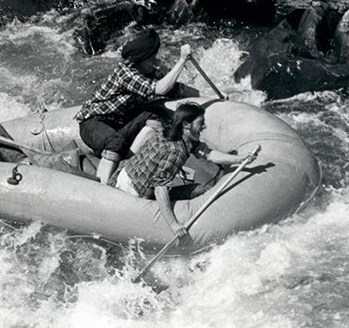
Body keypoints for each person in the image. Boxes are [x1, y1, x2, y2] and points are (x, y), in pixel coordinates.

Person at [109, 102, 258, 237]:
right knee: (198, 190)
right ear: (186, 125)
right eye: (201, 123)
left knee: (199, 189)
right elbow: (160, 188)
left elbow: (209, 154)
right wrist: (173, 224)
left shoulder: (175, 134)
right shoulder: (177, 152)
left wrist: (241, 159)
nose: (204, 126)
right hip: (133, 191)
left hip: (128, 174)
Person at [75, 28, 195, 184]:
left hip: (117, 125)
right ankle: (102, 189)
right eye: (151, 58)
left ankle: (127, 162)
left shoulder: (148, 72)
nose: (155, 61)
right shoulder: (126, 72)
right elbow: (159, 89)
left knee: (155, 114)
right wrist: (182, 60)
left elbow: (176, 88)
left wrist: (212, 96)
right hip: (93, 123)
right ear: (140, 59)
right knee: (115, 141)